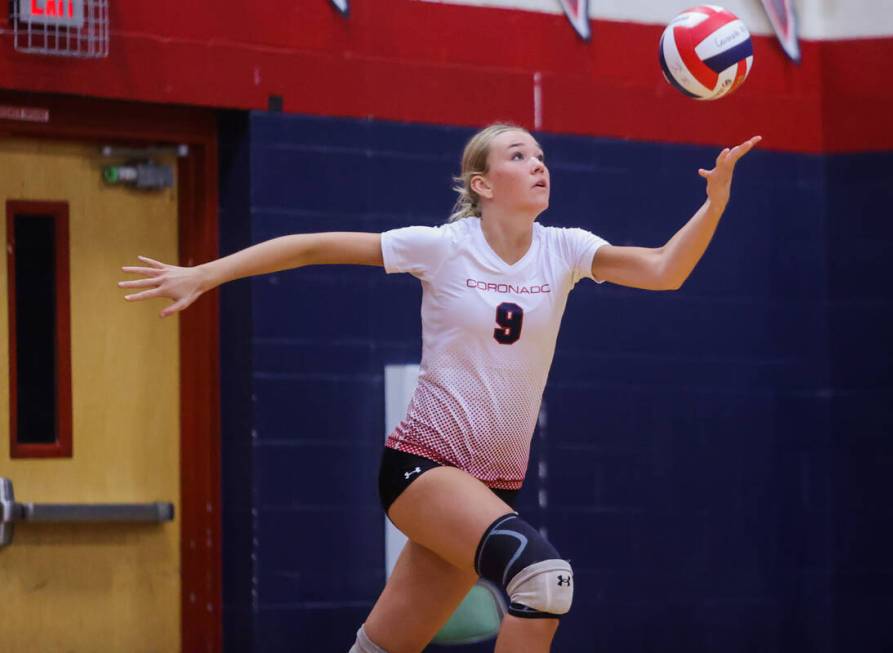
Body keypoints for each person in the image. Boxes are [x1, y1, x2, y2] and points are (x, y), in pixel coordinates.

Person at [119, 123, 760, 653]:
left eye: (540, 156)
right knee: (544, 581)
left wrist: (716, 202)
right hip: (424, 470)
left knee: (382, 648)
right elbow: (313, 245)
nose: (538, 164)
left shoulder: (565, 249)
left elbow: (664, 271)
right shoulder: (443, 247)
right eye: (518, 156)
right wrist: (204, 273)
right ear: (482, 184)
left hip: (491, 486)